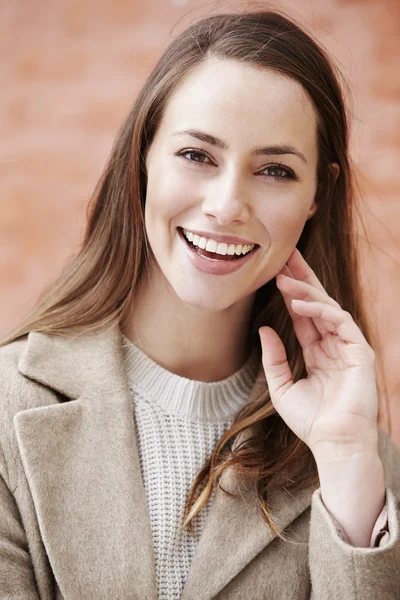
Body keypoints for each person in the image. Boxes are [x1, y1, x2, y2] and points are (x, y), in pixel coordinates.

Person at [0, 8, 399, 600]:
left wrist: (345, 463)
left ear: (317, 195)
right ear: (143, 159)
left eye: (274, 170)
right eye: (196, 156)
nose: (226, 204)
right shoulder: (10, 408)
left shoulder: (358, 452)